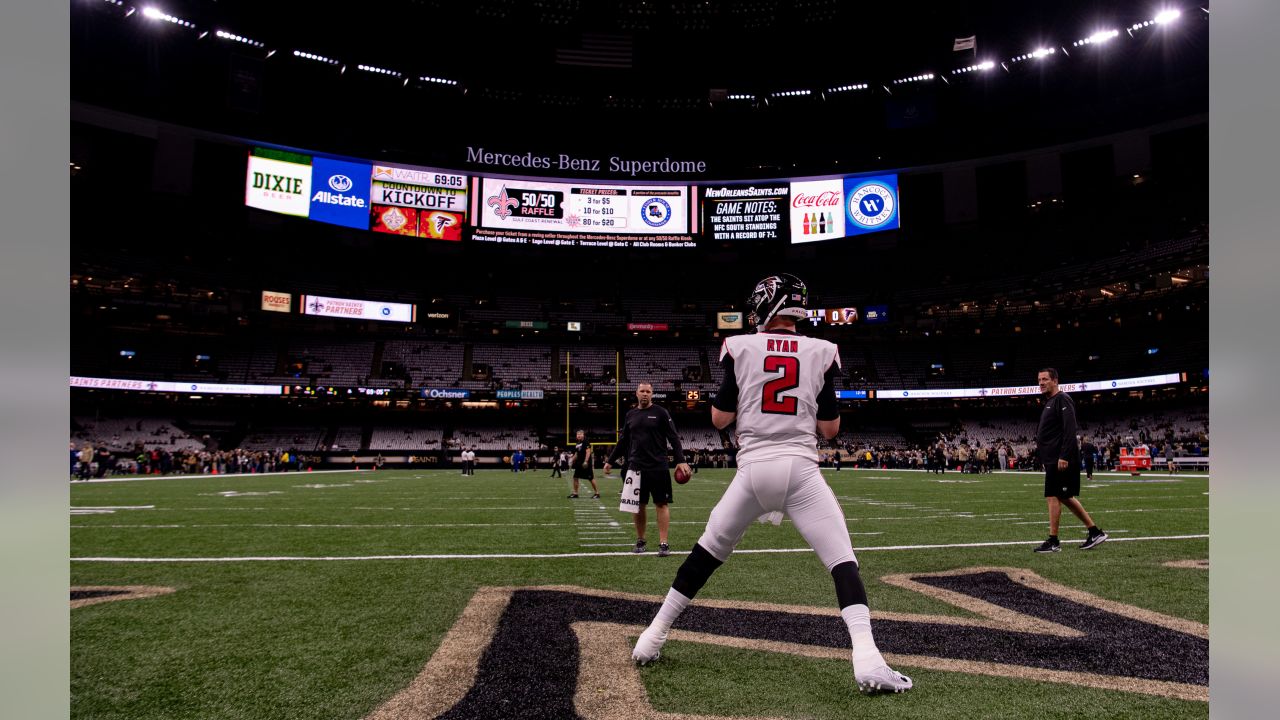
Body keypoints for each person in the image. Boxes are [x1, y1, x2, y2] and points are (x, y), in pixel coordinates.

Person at [630, 273, 913, 694]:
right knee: (842, 562)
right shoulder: (821, 350)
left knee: (707, 553)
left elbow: (719, 419)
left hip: (753, 469)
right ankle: (868, 658)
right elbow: (831, 430)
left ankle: (650, 638)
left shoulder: (741, 345)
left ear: (768, 305)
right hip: (801, 469)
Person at [604, 382, 691, 557]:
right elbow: (623, 441)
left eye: (648, 391)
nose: (645, 394)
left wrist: (681, 460)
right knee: (638, 505)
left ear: (652, 394)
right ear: (636, 393)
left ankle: (663, 543)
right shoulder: (631, 414)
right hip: (635, 467)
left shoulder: (660, 412)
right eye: (642, 391)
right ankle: (641, 540)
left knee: (661, 503)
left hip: (658, 466)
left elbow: (673, 437)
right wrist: (610, 461)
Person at [1034, 368, 1108, 552]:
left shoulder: (1062, 399)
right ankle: (1094, 532)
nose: (1041, 382)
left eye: (1045, 379)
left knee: (1054, 496)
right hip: (1052, 458)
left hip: (1061, 459)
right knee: (1064, 497)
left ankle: (1054, 540)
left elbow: (1069, 429)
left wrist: (1064, 455)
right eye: (1039, 380)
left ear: (1055, 380)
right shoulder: (1050, 402)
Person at [568, 430, 599, 499]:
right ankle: (575, 493)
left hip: (586, 463)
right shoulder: (578, 443)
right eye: (577, 434)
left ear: (583, 434)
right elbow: (577, 453)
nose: (578, 435)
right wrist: (572, 460)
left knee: (590, 478)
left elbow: (588, 452)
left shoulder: (586, 441)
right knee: (575, 477)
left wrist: (586, 461)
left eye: (580, 434)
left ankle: (597, 493)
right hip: (579, 463)